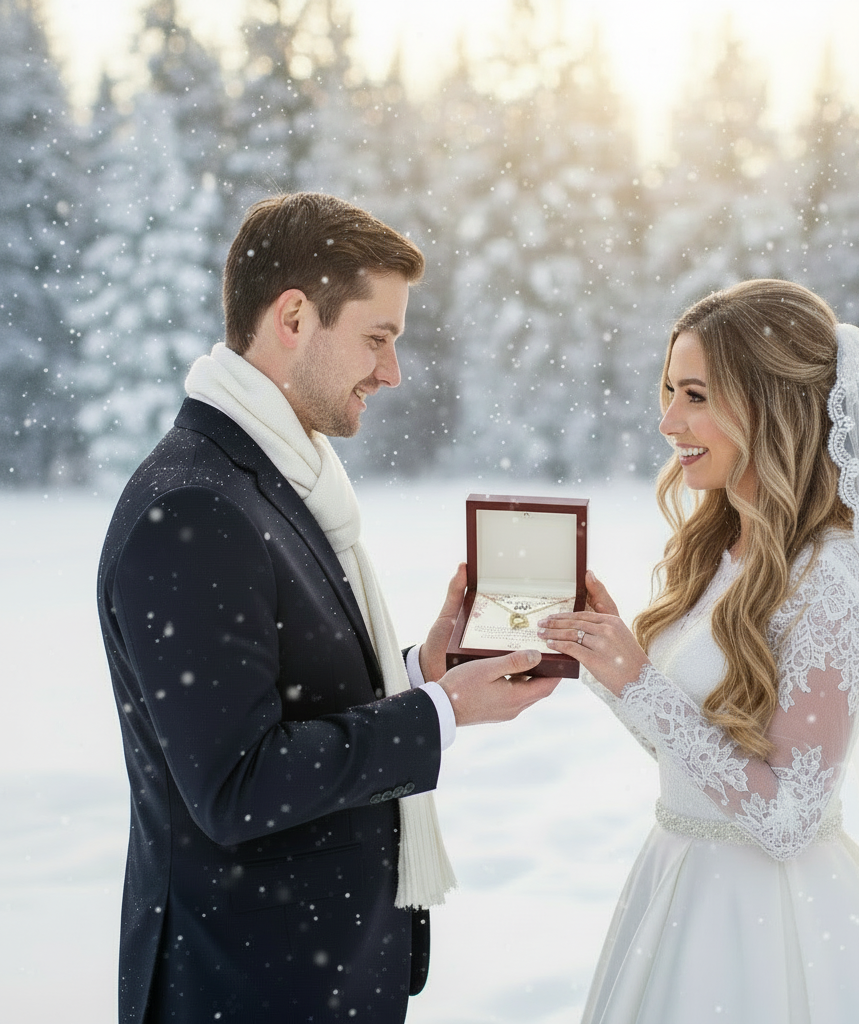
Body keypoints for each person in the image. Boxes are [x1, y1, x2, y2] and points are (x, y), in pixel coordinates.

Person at [96, 191, 558, 1024]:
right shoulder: (196, 509)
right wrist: (436, 712)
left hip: (313, 978)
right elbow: (237, 785)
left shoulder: (275, 479)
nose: (392, 371)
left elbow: (294, 696)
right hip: (246, 987)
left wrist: (421, 669)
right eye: (377, 338)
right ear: (294, 317)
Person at [538, 280, 859, 1023]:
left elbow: (789, 815)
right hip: (676, 882)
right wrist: (611, 667)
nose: (669, 420)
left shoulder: (834, 582)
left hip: (769, 925)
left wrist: (640, 681)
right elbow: (694, 757)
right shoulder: (724, 549)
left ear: (772, 404)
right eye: (669, 390)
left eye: (695, 395)